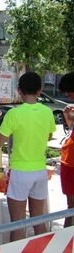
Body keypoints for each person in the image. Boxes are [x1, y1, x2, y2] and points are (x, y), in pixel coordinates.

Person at [0, 72, 56, 242]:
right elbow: (49, 137)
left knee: (17, 222)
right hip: (40, 171)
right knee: (38, 220)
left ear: (19, 90)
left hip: (20, 172)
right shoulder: (47, 112)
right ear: (39, 91)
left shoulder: (14, 114)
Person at [57, 72, 74, 227]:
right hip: (68, 161)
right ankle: (66, 242)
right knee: (70, 205)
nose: (68, 96)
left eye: (70, 92)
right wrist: (68, 119)